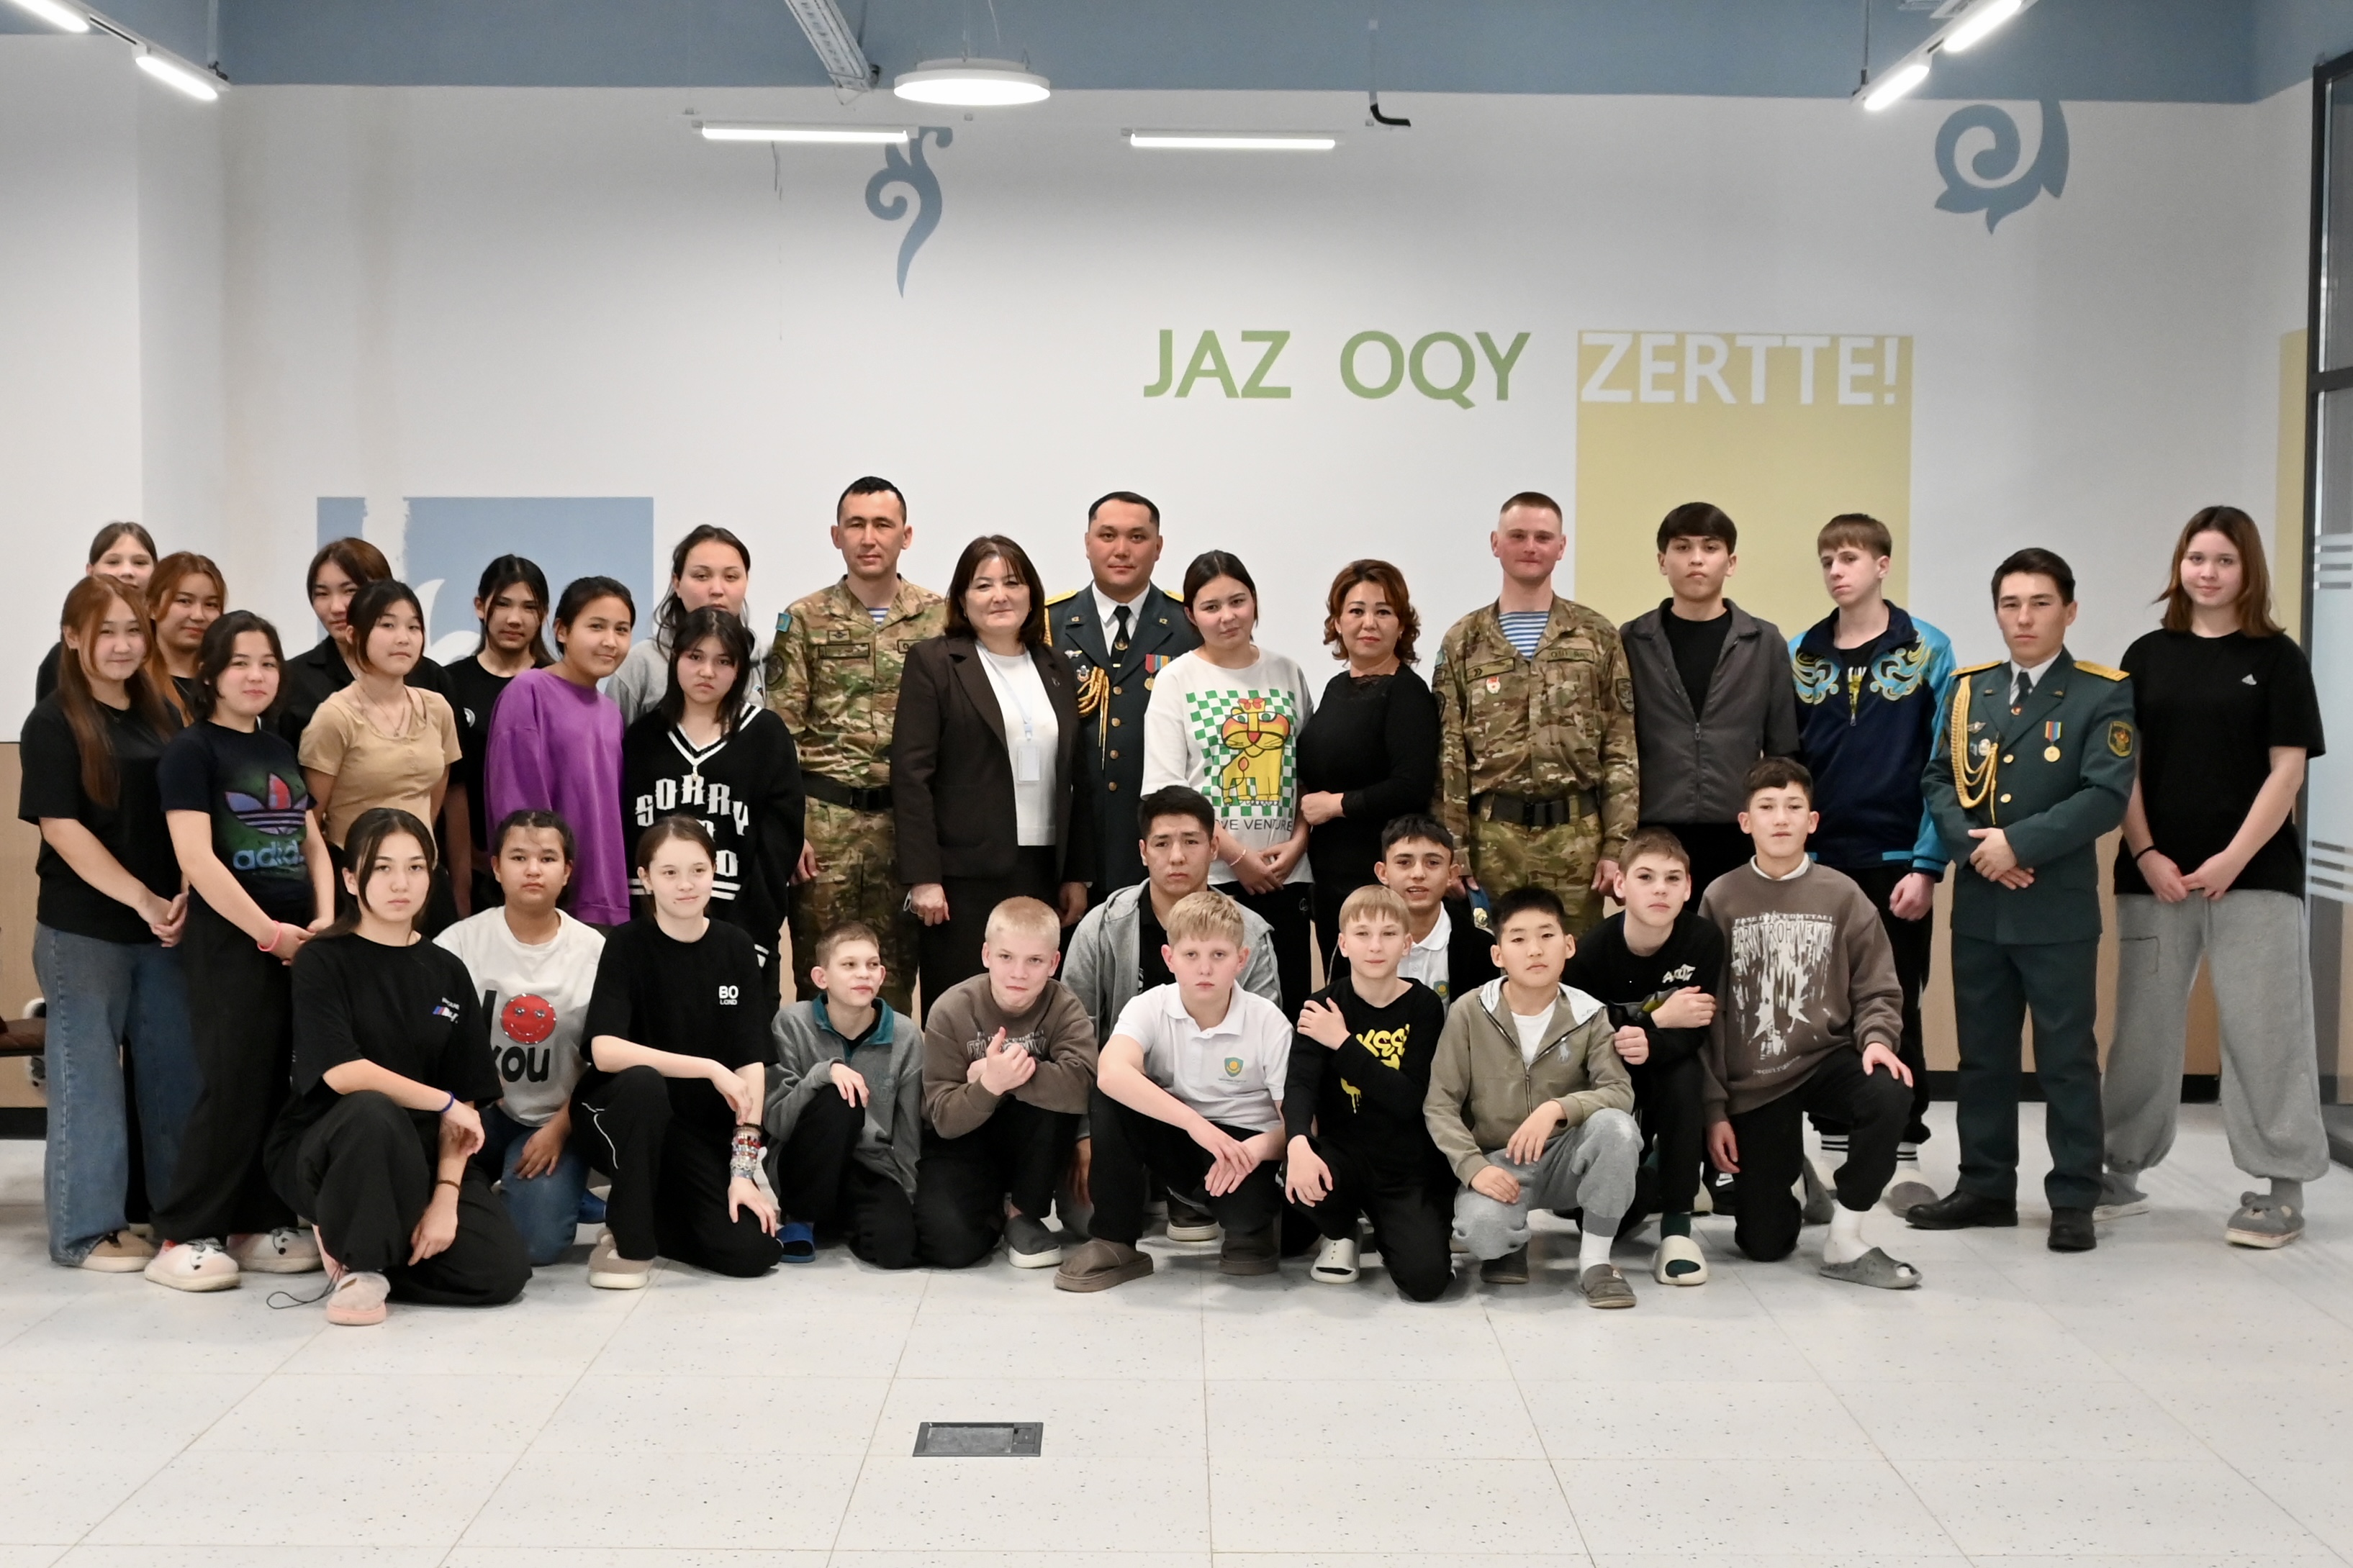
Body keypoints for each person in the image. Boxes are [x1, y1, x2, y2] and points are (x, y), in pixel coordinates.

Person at [2102, 507, 2329, 1247]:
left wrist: (2231, 857)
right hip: (2155, 878)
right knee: (2141, 1033)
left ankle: (2279, 1186)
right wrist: (2145, 853)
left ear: (2246, 570)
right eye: (2195, 558)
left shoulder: (2277, 659)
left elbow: (2286, 771)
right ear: (2179, 566)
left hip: (2255, 877)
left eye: (2223, 560)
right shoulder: (2145, 655)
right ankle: (2118, 1170)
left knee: (2266, 1032)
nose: (2207, 572)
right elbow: (2123, 767)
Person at [1912, 548, 2134, 1254]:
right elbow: (1937, 778)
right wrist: (1977, 849)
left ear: (2068, 611)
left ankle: (2072, 1195)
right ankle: (1984, 1186)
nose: (2023, 617)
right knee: (1982, 1055)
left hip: (2054, 907)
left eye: (2039, 603)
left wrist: (2018, 844)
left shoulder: (2100, 693)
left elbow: (2104, 795)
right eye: (2010, 604)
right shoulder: (1969, 691)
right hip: (1982, 903)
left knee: (2065, 1057)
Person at [263, 808, 530, 1325]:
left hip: (420, 1151)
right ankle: (362, 1266)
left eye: (415, 867)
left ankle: (362, 1246)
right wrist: (443, 1102)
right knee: (373, 1109)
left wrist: (445, 1198)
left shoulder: (447, 969)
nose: (400, 883)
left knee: (501, 1272)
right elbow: (343, 1073)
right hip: (332, 1144)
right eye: (382, 868)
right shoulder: (323, 959)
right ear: (350, 879)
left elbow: (465, 1096)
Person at [145, 612, 335, 1291]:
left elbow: (312, 842)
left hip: (297, 939)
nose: (256, 675)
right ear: (210, 674)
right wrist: (267, 931)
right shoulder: (191, 750)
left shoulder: (278, 747)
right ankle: (184, 1232)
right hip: (232, 941)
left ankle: (258, 1221)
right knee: (230, 1084)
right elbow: (196, 858)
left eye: (268, 662)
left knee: (276, 1084)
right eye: (240, 663)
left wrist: (323, 921)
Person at [20, 576, 193, 1272]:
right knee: (87, 1082)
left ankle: (179, 1218)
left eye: (133, 630)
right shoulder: (52, 722)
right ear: (72, 637)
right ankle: (85, 1232)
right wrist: (143, 899)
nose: (123, 645)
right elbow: (62, 828)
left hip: (165, 928)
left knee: (175, 1077)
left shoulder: (162, 712)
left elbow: (185, 811)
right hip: (84, 931)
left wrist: (184, 891)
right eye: (105, 632)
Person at [1700, 761, 1920, 1287]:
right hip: (1755, 1081)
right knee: (1764, 1245)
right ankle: (1791, 1171)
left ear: (1812, 821)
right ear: (1745, 822)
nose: (1781, 818)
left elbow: (1878, 986)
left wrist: (1877, 1041)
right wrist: (1714, 1108)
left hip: (1825, 1059)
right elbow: (1706, 1011)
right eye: (1767, 807)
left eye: (1793, 807)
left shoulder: (1843, 895)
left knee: (1890, 1091)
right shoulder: (1719, 898)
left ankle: (1846, 1235)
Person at [1787, 514, 1956, 1189]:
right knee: (1822, 1001)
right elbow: (1788, 762)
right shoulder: (1800, 653)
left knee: (1896, 998)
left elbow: (1944, 760)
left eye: (1850, 557)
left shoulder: (1928, 648)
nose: (1836, 570)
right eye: (1827, 559)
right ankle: (1833, 1134)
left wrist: (1927, 864)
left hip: (1896, 861)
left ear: (1882, 565)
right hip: (1819, 864)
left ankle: (1903, 1142)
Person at [1060, 783, 1283, 1244]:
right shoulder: (1101, 928)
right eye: (1162, 843)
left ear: (1214, 848)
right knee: (1084, 1218)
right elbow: (1074, 1041)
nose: (1177, 857)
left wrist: (1246, 1147)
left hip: (1221, 1115)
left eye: (1191, 841)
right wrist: (1085, 1136)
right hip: (1129, 1109)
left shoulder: (1250, 935)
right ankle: (1123, 1231)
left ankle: (1187, 1192)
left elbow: (1270, 1052)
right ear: (1143, 852)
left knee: (1253, 1218)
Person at [572, 816, 782, 1286]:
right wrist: (708, 1068)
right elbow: (604, 1050)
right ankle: (630, 1242)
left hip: (695, 1132)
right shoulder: (626, 943)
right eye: (669, 872)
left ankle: (655, 1217)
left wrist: (742, 1171)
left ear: (714, 871)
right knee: (645, 1082)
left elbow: (751, 1063)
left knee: (753, 1252)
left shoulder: (735, 946)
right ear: (645, 878)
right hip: (623, 1116)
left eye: (697, 870)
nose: (685, 884)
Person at [768, 477, 945, 1015]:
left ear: (906, 535)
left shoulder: (940, 618)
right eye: (856, 525)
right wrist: (791, 828)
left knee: (893, 981)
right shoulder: (804, 618)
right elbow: (780, 734)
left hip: (904, 829)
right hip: (823, 831)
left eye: (883, 524)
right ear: (836, 535)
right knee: (820, 979)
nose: (869, 538)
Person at [1057, 889, 1292, 1290]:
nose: (1205, 968)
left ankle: (1252, 1231)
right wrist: (1194, 1124)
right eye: (1191, 955)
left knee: (1250, 1220)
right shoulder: (1149, 1006)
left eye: (1219, 955)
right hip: (1183, 1136)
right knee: (1112, 1096)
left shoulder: (1268, 1022)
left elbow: (1302, 1124)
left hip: (1246, 1149)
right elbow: (1111, 1073)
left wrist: (1254, 1150)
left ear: (1241, 960)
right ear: (1169, 958)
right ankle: (1115, 1240)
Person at [895, 535, 1093, 1002]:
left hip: (1042, 867)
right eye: (983, 585)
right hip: (961, 878)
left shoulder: (1056, 666)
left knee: (1033, 1001)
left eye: (1012, 582)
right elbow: (911, 774)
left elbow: (1077, 777)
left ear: (1032, 594)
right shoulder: (935, 662)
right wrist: (923, 876)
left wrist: (1077, 874)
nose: (999, 595)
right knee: (963, 1004)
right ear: (963, 599)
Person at [1433, 492, 1638, 936]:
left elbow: (1620, 748)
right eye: (1518, 536)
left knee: (1576, 962)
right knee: (1493, 963)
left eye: (1543, 537)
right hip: (1492, 844)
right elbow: (1450, 756)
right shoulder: (1464, 641)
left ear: (1561, 547)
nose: (1531, 547)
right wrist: (1454, 850)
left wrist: (1617, 847)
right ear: (1495, 543)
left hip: (1577, 842)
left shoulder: (1597, 635)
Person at [1424, 884, 1640, 1305]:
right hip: (1499, 1162)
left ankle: (1596, 1262)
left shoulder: (1589, 1014)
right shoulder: (1469, 1011)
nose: (1535, 950)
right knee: (1483, 1235)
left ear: (1569, 945)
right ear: (1498, 955)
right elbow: (1440, 1104)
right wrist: (1472, 1167)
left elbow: (1619, 1092)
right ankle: (1511, 1241)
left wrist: (1558, 1109)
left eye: (1547, 935)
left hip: (1565, 1157)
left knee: (1618, 1129)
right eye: (1519, 939)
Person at [1141, 552, 1318, 1013]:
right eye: (1211, 606)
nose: (1227, 616)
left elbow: (1309, 775)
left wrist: (1299, 843)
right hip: (1213, 879)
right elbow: (1166, 793)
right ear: (1190, 614)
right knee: (1215, 1009)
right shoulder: (1176, 680)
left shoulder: (1288, 673)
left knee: (1287, 1009)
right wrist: (1237, 857)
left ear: (1255, 602)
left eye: (1238, 601)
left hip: (1287, 876)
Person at [434, 810, 605, 1267]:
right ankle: (491, 1190)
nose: (533, 869)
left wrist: (559, 1130)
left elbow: (603, 1065)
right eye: (518, 857)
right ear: (496, 868)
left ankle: (557, 1189)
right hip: (476, 1111)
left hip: (553, 1120)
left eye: (548, 858)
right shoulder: (458, 944)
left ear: (567, 871)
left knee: (534, 1246)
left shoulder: (595, 952)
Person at [1561, 827, 1722, 1285]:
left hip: (1670, 1062)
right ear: (1621, 885)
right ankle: (1651, 1168)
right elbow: (1584, 1044)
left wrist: (1653, 1039)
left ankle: (1678, 1227)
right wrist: (1657, 1019)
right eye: (1646, 877)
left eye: (1673, 879)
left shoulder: (1703, 941)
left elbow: (1696, 1029)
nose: (1660, 890)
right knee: (1603, 1221)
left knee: (1684, 1077)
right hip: (1612, 1076)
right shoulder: (1591, 954)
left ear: (1688, 888)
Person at [622, 604, 805, 1002]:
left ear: (739, 670)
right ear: (675, 659)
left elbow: (778, 850)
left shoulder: (766, 734)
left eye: (723, 661)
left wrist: (750, 938)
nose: (707, 671)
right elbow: (631, 840)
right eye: (696, 657)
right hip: (655, 932)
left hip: (742, 930)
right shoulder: (642, 738)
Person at [1283, 884, 1455, 1301]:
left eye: (1388, 934)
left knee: (1426, 1283)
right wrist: (1298, 1143)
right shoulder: (1321, 1006)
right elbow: (1301, 1086)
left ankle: (1393, 1227)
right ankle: (1343, 1231)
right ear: (1343, 944)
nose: (1375, 946)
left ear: (1407, 944)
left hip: (1404, 1165)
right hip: (1342, 1155)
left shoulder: (1424, 1006)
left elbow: (1407, 1099)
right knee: (1295, 1175)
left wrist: (1342, 1042)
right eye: (1362, 934)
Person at [1619, 503, 1799, 897]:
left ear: (1731, 562)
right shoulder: (1632, 641)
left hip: (1739, 830)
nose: (1696, 559)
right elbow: (1615, 745)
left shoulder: (1764, 642)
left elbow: (1783, 751)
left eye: (1711, 547)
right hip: (1654, 830)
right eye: (1682, 547)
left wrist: (1779, 827)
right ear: (1662, 561)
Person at [916, 897, 1101, 1269]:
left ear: (1054, 963)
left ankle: (1023, 1213)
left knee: (1056, 1100)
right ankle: (991, 1209)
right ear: (986, 955)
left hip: (1033, 1137)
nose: (1019, 973)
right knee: (950, 1246)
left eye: (1034, 961)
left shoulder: (1064, 1006)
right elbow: (943, 1119)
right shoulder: (950, 1010)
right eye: (1006, 957)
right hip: (964, 1140)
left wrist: (1002, 1077)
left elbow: (1083, 1085)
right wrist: (988, 1087)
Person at [1044, 491, 1200, 901]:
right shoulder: (1048, 624)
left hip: (1160, 840)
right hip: (1073, 842)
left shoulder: (1189, 626)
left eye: (1137, 537)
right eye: (1108, 535)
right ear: (1087, 543)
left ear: (1158, 547)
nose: (1121, 550)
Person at [1296, 559, 1441, 964]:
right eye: (1357, 611)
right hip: (1328, 875)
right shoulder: (1335, 687)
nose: (1369, 623)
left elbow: (1411, 786)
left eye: (1383, 611)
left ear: (1402, 625)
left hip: (1378, 875)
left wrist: (1336, 805)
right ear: (1337, 623)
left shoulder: (1407, 693)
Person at [299, 579, 463, 931]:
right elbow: (311, 818)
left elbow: (434, 798)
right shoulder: (334, 717)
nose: (403, 638)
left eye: (413, 627)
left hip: (424, 876)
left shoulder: (437, 708)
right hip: (357, 881)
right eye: (388, 625)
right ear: (354, 635)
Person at [766, 922, 922, 1268]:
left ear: (882, 975)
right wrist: (822, 1074)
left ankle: (838, 1217)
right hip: (804, 1160)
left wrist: (906, 1198)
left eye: (872, 965)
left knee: (895, 1250)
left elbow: (909, 1129)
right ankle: (802, 1218)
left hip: (869, 1164)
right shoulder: (792, 1023)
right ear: (821, 977)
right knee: (841, 1097)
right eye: (849, 965)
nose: (863, 974)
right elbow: (776, 1121)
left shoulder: (906, 1035)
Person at [484, 576, 635, 927]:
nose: (610, 641)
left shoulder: (611, 712)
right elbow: (516, 804)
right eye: (596, 626)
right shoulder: (528, 691)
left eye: (622, 630)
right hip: (548, 902)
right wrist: (540, 877)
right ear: (562, 630)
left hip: (606, 900)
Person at [443, 555, 554, 917]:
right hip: (467, 868)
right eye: (503, 604)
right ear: (480, 606)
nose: (514, 619)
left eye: (529, 607)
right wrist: (461, 877)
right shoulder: (449, 683)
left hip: (543, 871)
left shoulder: (559, 685)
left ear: (544, 614)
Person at [277, 537, 451, 746]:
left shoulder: (430, 678)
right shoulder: (292, 681)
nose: (336, 607)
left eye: (350, 591)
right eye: (322, 594)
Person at [609, 525, 769, 722]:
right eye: (702, 576)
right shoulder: (642, 663)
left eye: (731, 577)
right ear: (677, 583)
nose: (717, 590)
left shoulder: (768, 663)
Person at [1342, 815, 1497, 1005]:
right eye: (1404, 863)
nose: (1418, 874)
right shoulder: (1357, 941)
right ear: (1383, 873)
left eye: (1432, 863)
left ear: (1451, 874)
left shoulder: (1479, 946)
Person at [35, 521, 157, 701]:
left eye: (140, 563)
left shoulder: (167, 642)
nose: (127, 572)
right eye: (113, 562)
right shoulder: (63, 658)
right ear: (91, 571)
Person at [143, 551, 226, 720]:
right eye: (184, 601)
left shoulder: (226, 682)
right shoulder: (134, 683)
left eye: (211, 604)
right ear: (152, 607)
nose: (198, 616)